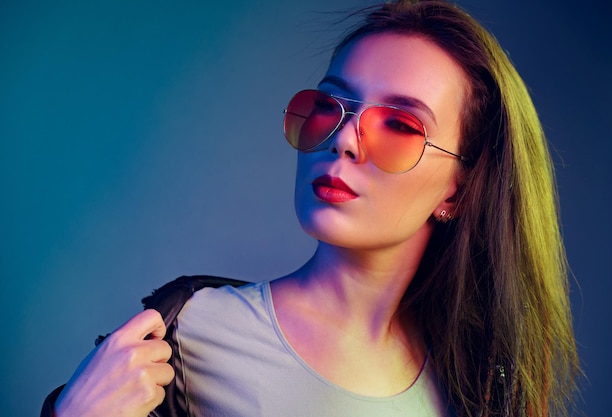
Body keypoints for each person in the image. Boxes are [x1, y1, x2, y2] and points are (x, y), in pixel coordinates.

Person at [45, 0, 580, 416]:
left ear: (458, 191)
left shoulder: (479, 384)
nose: (344, 140)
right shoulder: (187, 334)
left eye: (399, 124)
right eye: (331, 106)